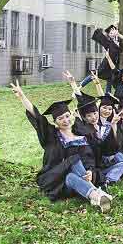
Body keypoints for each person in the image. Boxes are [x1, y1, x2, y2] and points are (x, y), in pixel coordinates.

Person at [10, 80, 113, 211]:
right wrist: (22, 97)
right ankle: (97, 194)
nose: (65, 120)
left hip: (76, 179)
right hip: (57, 179)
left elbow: (89, 157)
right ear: (55, 122)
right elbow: (38, 118)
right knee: (73, 160)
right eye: (60, 119)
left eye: (67, 116)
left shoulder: (81, 133)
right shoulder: (52, 135)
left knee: (72, 175)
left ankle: (95, 197)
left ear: (71, 115)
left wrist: (90, 171)